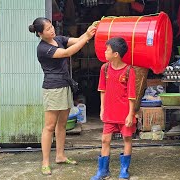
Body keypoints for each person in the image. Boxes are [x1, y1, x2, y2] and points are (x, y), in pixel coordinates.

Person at [28, 17, 96, 175]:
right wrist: (86, 36)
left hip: (65, 86)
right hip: (53, 89)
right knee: (49, 126)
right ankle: (45, 162)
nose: (52, 30)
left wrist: (88, 32)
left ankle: (60, 156)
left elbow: (78, 40)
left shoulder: (58, 39)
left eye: (52, 27)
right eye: (47, 29)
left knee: (62, 125)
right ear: (40, 33)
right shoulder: (43, 48)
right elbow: (68, 52)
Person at [92, 37, 136, 180]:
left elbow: (131, 95)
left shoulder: (129, 70)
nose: (105, 52)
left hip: (125, 113)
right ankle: (103, 170)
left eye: (107, 50)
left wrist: (131, 114)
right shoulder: (104, 68)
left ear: (116, 54)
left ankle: (124, 170)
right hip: (110, 112)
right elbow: (102, 90)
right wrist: (102, 108)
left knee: (127, 139)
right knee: (105, 140)